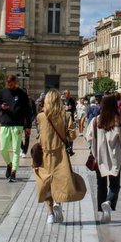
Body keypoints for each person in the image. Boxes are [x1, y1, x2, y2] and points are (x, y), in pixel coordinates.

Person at [34, 89, 86, 224]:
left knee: (46, 183)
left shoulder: (40, 116)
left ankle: (50, 213)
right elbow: (72, 136)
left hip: (45, 154)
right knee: (60, 181)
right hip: (61, 154)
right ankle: (58, 203)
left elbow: (40, 137)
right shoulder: (66, 115)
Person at [87, 93, 121, 223]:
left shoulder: (96, 120)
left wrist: (95, 145)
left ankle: (102, 211)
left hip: (100, 157)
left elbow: (88, 137)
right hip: (115, 157)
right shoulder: (119, 121)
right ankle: (109, 202)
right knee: (115, 185)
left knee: (101, 185)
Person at [0, 75, 32, 183]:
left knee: (16, 150)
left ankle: (13, 172)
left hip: (18, 124)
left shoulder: (22, 94)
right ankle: (9, 164)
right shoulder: (3, 92)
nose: (9, 85)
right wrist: (1, 107)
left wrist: (28, 126)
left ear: (15, 82)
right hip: (5, 123)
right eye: (8, 83)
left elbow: (28, 111)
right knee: (3, 149)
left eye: (11, 83)